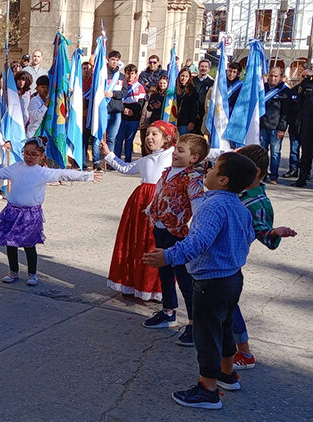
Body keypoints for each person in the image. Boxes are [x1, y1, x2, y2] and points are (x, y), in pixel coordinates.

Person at [144, 152, 257, 410]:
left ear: (224, 179)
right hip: (232, 278)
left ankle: (208, 388)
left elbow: (198, 242)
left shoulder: (212, 206)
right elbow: (248, 237)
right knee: (224, 327)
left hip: (210, 282)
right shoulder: (239, 206)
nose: (208, 169)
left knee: (206, 335)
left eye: (214, 167)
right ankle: (227, 374)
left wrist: (168, 256)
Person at [0, 138, 102, 286]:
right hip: (12, 211)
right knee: (10, 244)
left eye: (33, 154)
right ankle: (13, 271)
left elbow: (64, 174)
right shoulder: (15, 168)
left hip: (30, 214)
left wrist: (88, 176)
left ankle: (32, 274)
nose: (29, 157)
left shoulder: (43, 172)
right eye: (26, 153)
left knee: (29, 245)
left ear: (41, 156)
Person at [230, 145, 297, 372]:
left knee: (228, 306)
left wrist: (274, 232)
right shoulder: (236, 190)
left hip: (229, 260)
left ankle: (244, 352)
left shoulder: (258, 202)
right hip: (214, 255)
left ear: (256, 173)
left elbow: (268, 239)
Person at [143, 134, 208, 348]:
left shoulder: (192, 179)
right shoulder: (168, 172)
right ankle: (168, 311)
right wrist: (151, 210)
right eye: (176, 149)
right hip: (160, 228)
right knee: (164, 272)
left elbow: (197, 203)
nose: (175, 153)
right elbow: (158, 194)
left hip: (177, 233)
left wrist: (199, 227)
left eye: (181, 150)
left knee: (184, 278)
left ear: (194, 158)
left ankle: (193, 323)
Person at [102, 121, 176, 300]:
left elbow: (197, 152)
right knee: (137, 242)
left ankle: (155, 288)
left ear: (167, 138)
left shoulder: (173, 155)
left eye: (154, 134)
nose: (149, 138)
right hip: (140, 204)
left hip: (160, 204)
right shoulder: (146, 160)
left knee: (154, 243)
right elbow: (126, 168)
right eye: (147, 134)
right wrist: (108, 154)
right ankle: (134, 283)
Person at [96, 50, 127, 170]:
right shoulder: (102, 74)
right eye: (112, 59)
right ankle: (97, 161)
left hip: (116, 110)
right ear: (108, 60)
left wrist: (113, 94)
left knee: (112, 138)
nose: (114, 62)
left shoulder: (121, 76)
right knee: (100, 136)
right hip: (103, 109)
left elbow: (124, 92)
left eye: (117, 60)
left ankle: (110, 162)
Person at [259, 67, 290, 184]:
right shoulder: (263, 88)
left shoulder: (284, 91)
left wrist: (282, 129)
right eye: (271, 75)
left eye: (276, 76)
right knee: (262, 152)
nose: (273, 78)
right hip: (263, 126)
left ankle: (274, 176)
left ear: (281, 77)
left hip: (276, 128)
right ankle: (262, 174)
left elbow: (285, 113)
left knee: (275, 153)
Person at [113, 64, 146, 162]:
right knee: (118, 140)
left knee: (129, 141)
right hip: (121, 117)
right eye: (128, 73)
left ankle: (127, 161)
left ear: (136, 74)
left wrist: (133, 111)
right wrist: (123, 109)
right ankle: (117, 160)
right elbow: (117, 99)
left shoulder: (139, 87)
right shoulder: (120, 85)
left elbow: (141, 103)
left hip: (133, 119)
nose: (130, 76)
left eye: (132, 74)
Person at [283, 69, 309, 179]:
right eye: (303, 76)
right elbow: (287, 109)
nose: (305, 79)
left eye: (308, 77)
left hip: (308, 128)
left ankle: (305, 172)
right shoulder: (293, 91)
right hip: (295, 126)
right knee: (294, 150)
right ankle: (293, 170)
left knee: (307, 152)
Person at [176, 68, 199, 136]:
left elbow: (194, 107)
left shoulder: (192, 90)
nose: (184, 78)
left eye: (186, 76)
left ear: (189, 78)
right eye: (182, 76)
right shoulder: (174, 88)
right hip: (174, 119)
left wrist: (192, 121)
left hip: (185, 122)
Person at [193, 59, 214, 132]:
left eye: (206, 67)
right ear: (198, 67)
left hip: (205, 114)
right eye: (202, 66)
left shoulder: (212, 83)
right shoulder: (192, 81)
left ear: (209, 69)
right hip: (192, 115)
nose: (203, 68)